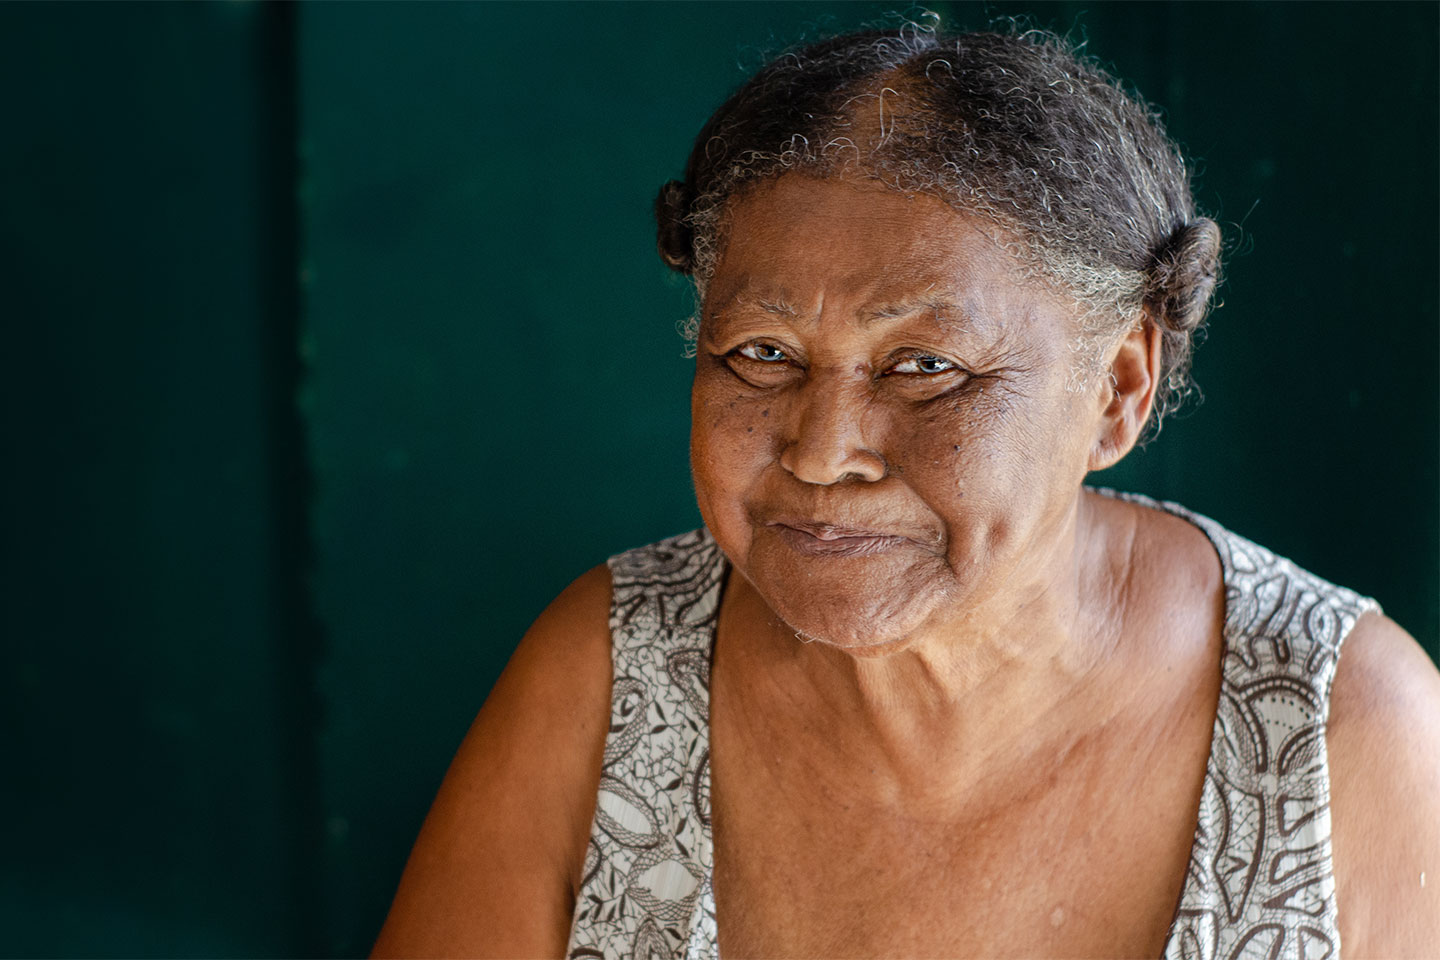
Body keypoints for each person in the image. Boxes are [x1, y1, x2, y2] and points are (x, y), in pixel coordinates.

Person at [371, 22, 1440, 960]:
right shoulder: (609, 676)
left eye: (926, 367)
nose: (824, 450)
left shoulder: (1342, 729)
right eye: (761, 351)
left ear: (1118, 389)